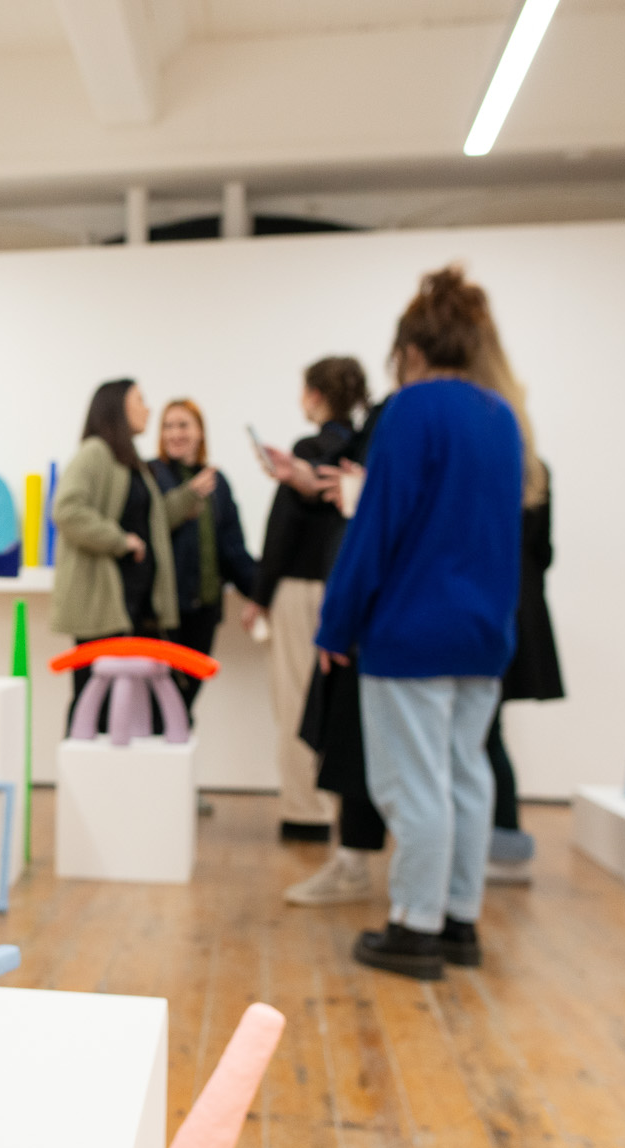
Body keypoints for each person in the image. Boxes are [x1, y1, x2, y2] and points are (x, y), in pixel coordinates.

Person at [314, 266, 522, 980]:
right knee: (468, 774)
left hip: (412, 631)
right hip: (484, 636)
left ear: (409, 346)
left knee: (415, 783)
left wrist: (334, 626)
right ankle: (460, 919)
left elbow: (375, 530)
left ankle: (413, 925)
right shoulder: (501, 416)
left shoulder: (411, 411)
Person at [245, 358, 366, 846]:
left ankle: (305, 810)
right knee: (338, 705)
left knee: (295, 699)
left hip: (300, 589)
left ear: (316, 395)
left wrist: (260, 594)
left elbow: (283, 530)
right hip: (346, 589)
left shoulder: (307, 451)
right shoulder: (363, 450)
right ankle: (341, 806)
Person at [51, 379, 217, 730]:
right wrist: (120, 540)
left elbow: (152, 525)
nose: (148, 409)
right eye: (140, 400)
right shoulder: (95, 452)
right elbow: (66, 509)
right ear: (117, 408)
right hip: (102, 606)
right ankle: (83, 781)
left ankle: (118, 782)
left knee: (125, 709)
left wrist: (187, 497)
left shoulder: (131, 463)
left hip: (133, 608)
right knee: (92, 703)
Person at [467, 336, 565, 884]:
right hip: (522, 607)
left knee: (480, 733)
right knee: (487, 730)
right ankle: (500, 840)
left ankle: (499, 843)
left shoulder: (487, 464)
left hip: (491, 605)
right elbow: (545, 553)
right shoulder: (537, 471)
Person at [147, 399, 257, 723]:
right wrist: (187, 497)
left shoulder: (217, 482)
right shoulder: (150, 474)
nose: (175, 433)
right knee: (162, 703)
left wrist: (262, 593)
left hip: (204, 609)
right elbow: (148, 526)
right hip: (164, 610)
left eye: (183, 425)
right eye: (168, 425)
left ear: (200, 432)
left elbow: (233, 548)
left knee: (187, 699)